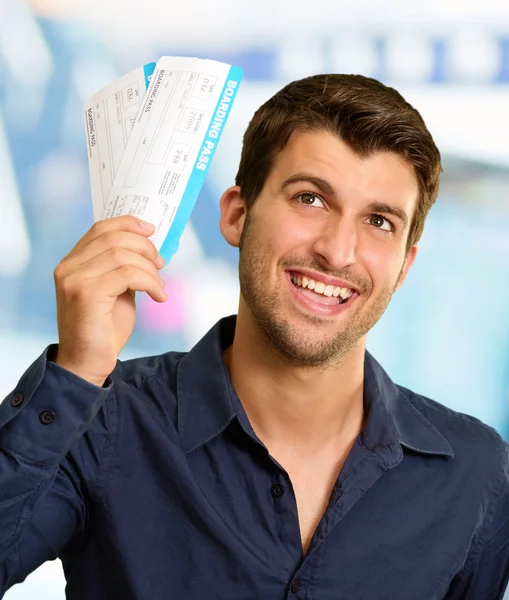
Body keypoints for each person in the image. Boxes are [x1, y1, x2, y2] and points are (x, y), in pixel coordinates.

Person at [0, 74, 508, 600]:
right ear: (237, 215)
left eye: (379, 221)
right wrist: (76, 372)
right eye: (310, 199)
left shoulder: (476, 475)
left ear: (405, 266)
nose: (337, 252)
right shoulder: (103, 420)